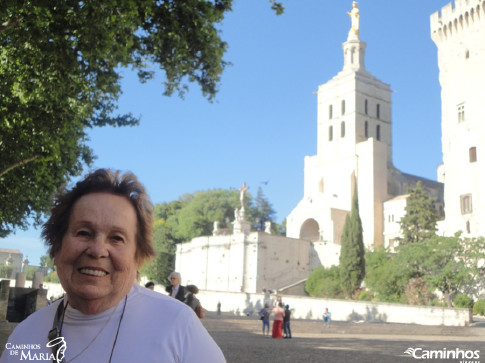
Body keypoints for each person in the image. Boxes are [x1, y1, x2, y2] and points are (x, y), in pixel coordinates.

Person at [0, 169, 225, 362]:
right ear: (57, 248)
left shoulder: (178, 325)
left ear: (137, 257)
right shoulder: (24, 338)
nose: (97, 250)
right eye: (83, 233)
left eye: (116, 238)